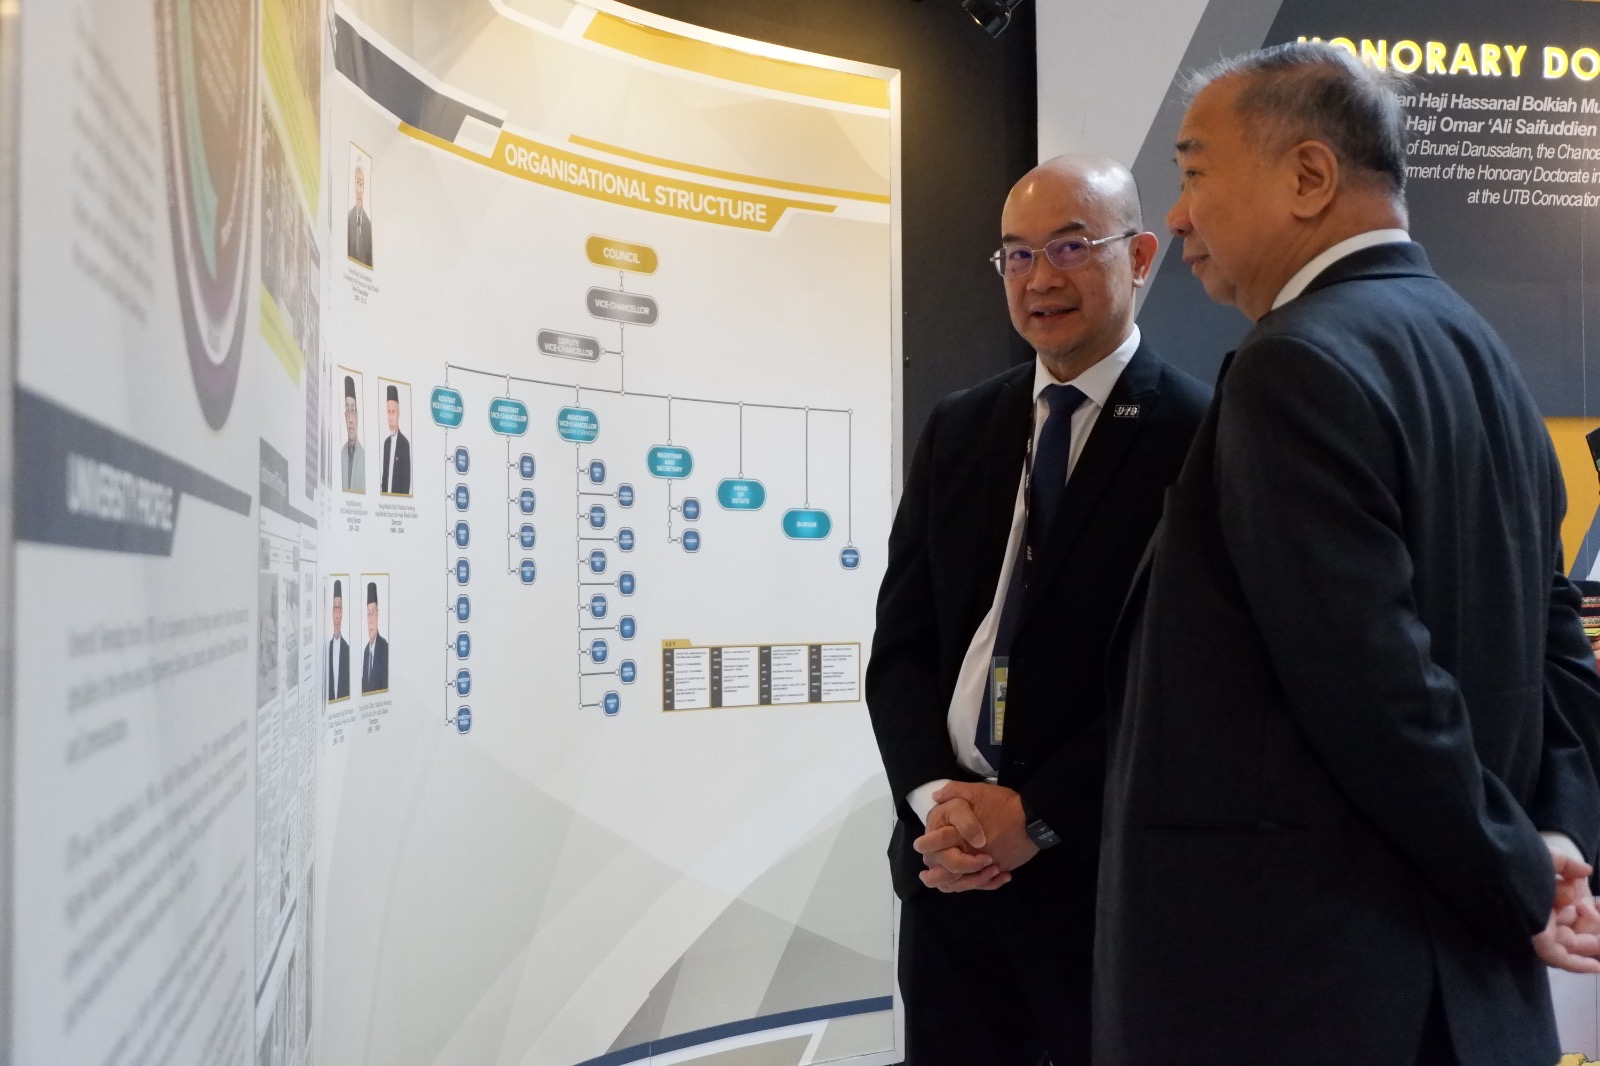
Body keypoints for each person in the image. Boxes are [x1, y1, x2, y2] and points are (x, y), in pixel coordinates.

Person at [1095, 42, 1600, 1065]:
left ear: (1309, 177)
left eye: (1194, 171)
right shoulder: (1483, 355)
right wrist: (1552, 835)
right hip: (1454, 995)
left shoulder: (1293, 362)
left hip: (1306, 992)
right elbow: (1555, 643)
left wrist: (1516, 867)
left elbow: (1370, 682)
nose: (1177, 215)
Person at [864, 154, 1209, 1065]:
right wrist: (937, 805)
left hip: (1096, 888)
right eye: (1016, 254)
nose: (1039, 278)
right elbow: (902, 649)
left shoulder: (1200, 437)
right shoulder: (959, 428)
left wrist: (1039, 815)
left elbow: (1184, 685)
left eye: (1069, 246)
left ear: (1140, 257)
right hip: (948, 881)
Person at [381, 384, 411, 495]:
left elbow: (406, 482)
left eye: (393, 411)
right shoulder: (386, 443)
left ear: (398, 413)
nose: (390, 416)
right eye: (388, 411)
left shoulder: (404, 444)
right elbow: (385, 476)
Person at [361, 581, 389, 694]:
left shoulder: (384, 648)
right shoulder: (366, 651)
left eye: (373, 612)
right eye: (368, 612)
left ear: (377, 614)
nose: (371, 619)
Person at [341, 375, 365, 492]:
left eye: (353, 409)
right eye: (347, 410)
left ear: (357, 416)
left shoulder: (364, 456)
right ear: (344, 416)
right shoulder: (341, 454)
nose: (350, 419)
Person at [328, 579, 350, 701]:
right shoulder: (327, 648)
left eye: (339, 608)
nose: (337, 612)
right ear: (331, 612)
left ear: (342, 613)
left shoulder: (347, 649)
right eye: (334, 608)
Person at [348, 163, 373, 268]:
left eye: (361, 184)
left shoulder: (369, 226)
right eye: (357, 183)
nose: (359, 190)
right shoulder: (347, 219)